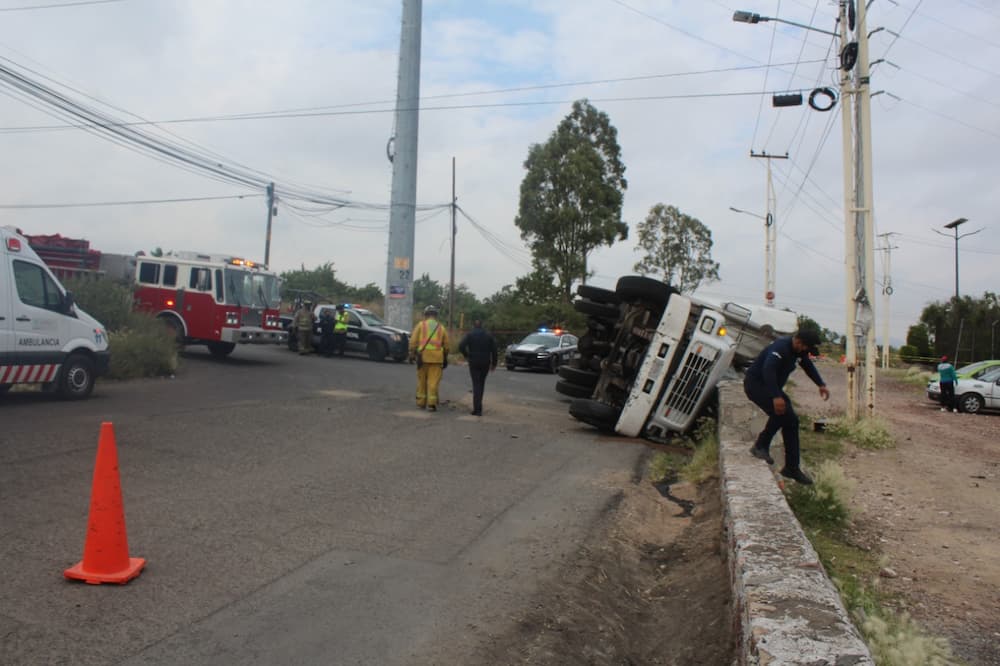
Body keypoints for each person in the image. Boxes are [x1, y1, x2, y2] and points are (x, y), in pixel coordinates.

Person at [743, 328, 829, 485]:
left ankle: (792, 467)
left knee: (792, 421)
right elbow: (768, 370)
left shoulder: (799, 352)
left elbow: (808, 365)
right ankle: (760, 446)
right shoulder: (780, 347)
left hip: (771, 387)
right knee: (782, 413)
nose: (805, 352)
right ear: (798, 341)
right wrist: (776, 396)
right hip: (756, 385)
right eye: (805, 348)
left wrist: (820, 384)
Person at [409, 305, 450, 411]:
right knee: (433, 382)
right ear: (436, 315)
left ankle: (421, 403)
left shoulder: (421, 325)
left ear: (426, 314)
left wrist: (412, 353)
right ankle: (431, 404)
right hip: (437, 359)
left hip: (422, 357)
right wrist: (445, 357)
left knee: (421, 381)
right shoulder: (441, 327)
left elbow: (413, 341)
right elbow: (446, 345)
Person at [458, 317, 498, 416]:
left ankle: (477, 409)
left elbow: (461, 346)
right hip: (485, 362)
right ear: (482, 325)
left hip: (474, 362)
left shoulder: (470, 335)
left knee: (476, 384)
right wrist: (494, 364)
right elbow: (494, 350)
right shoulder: (488, 336)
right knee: (481, 383)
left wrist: (467, 355)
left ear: (474, 326)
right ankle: (478, 407)